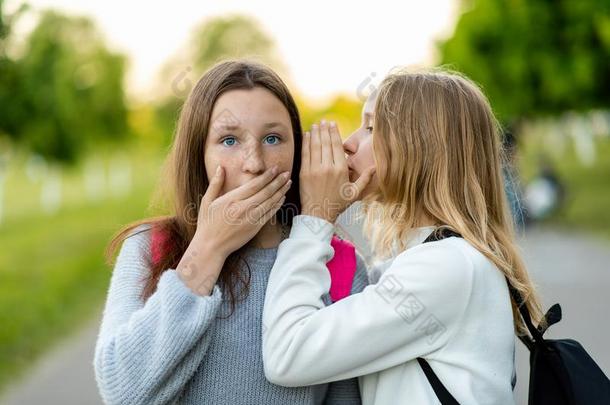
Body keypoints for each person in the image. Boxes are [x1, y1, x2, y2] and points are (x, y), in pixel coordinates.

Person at [262, 69, 545, 404]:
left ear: (421, 147)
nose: (349, 144)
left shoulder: (446, 267)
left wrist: (314, 218)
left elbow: (288, 355)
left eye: (370, 128)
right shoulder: (444, 258)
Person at [94, 60, 368, 405]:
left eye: (273, 138)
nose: (253, 162)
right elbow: (122, 392)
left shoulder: (339, 265)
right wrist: (208, 248)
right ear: (199, 154)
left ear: (296, 151)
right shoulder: (152, 248)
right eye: (229, 140)